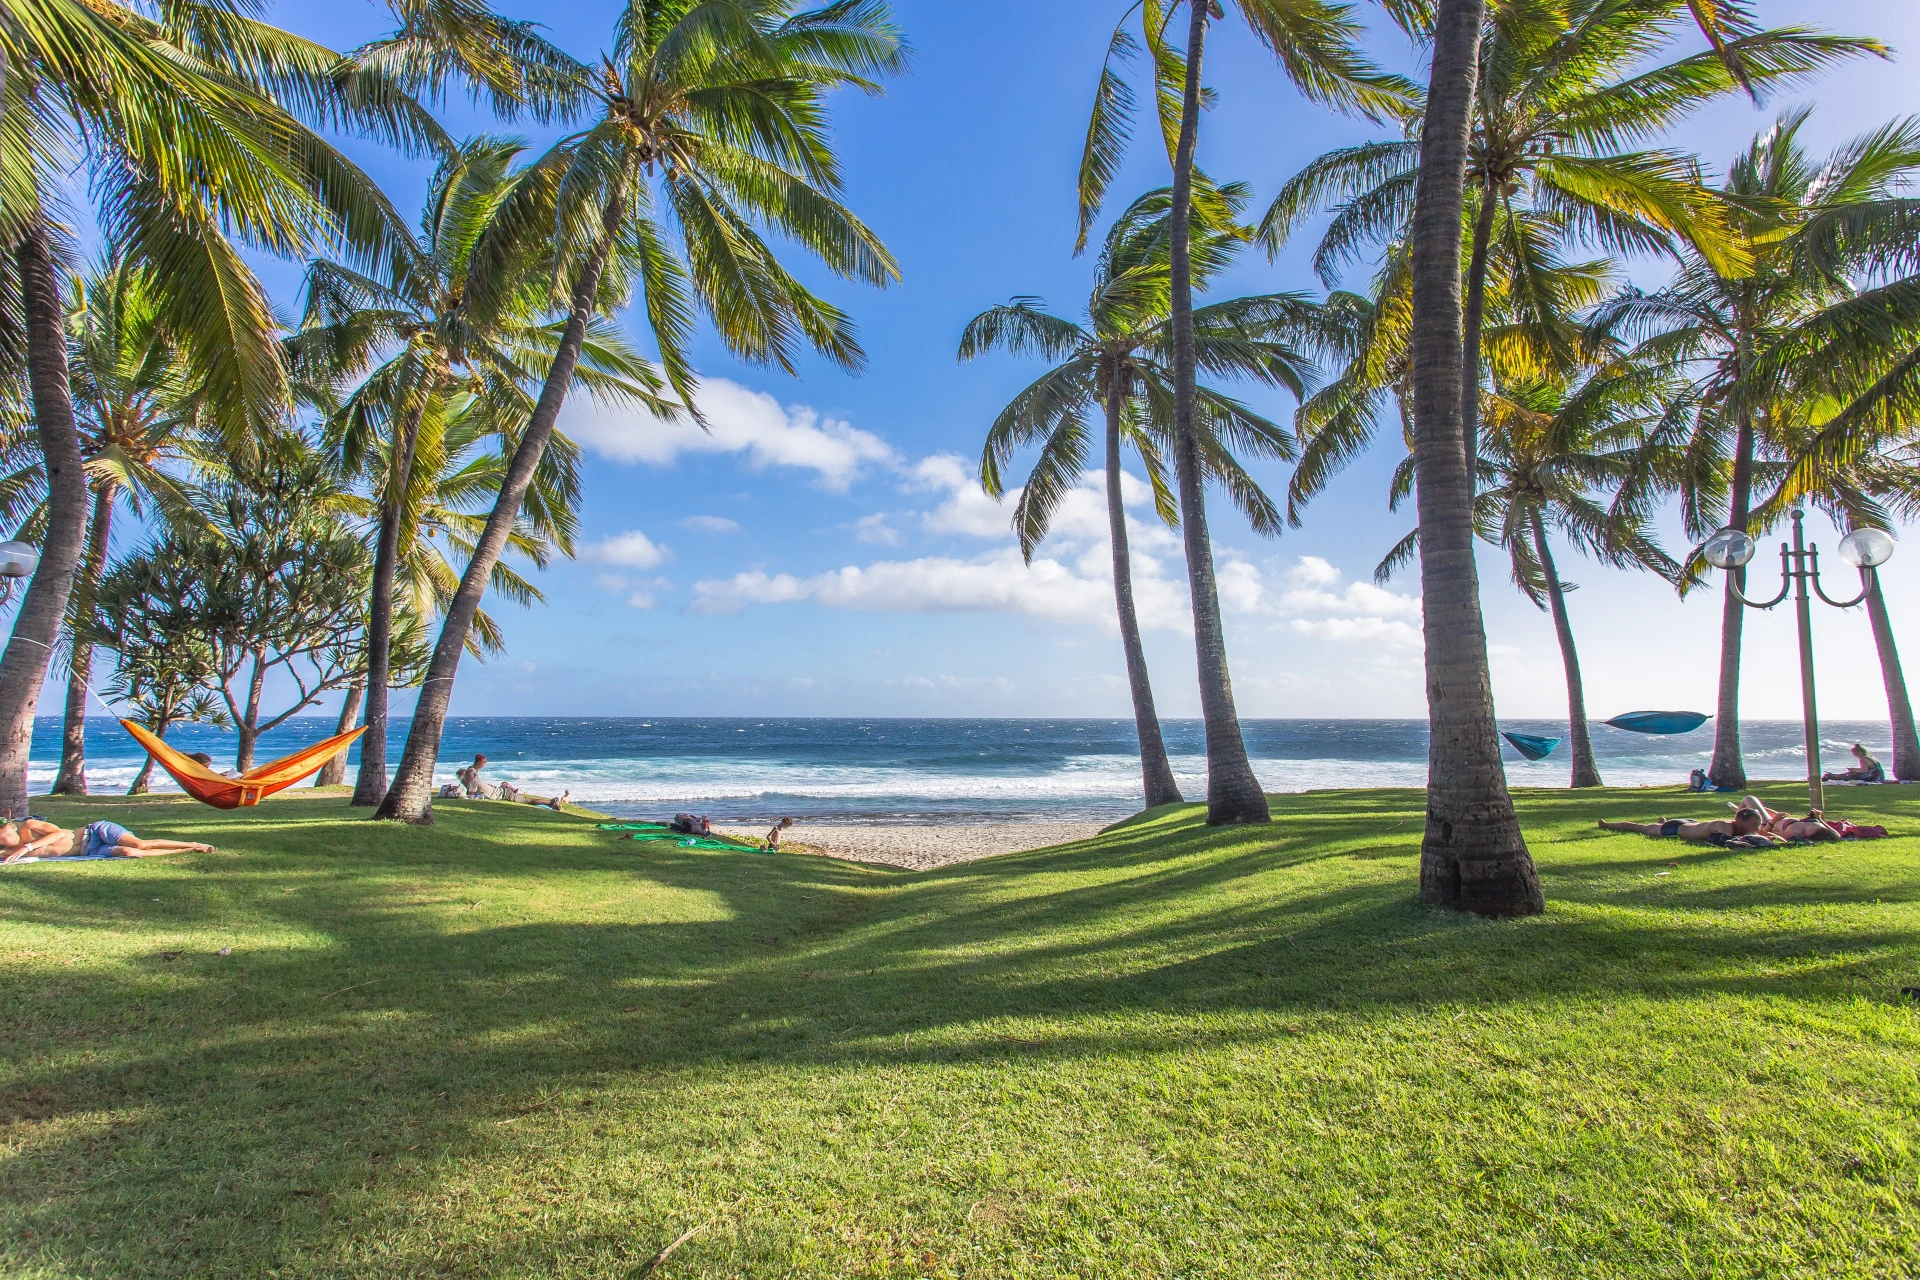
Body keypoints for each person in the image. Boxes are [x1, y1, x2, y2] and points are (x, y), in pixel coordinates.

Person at [2, 817, 213, 863]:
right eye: (3, 839)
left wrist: (28, 846)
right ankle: (187, 851)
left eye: (8, 833)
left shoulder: (29, 826)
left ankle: (192, 843)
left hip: (96, 832)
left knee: (139, 844)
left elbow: (57, 833)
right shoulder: (10, 850)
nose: (8, 840)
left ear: (12, 826)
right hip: (90, 851)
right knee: (131, 853)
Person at [1598, 808, 1772, 843]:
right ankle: (1607, 825)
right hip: (1676, 828)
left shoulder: (1736, 827)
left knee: (1651, 826)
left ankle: (1660, 822)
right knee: (1642, 828)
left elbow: (1756, 836)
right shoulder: (1725, 827)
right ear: (1740, 821)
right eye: (1754, 825)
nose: (1756, 829)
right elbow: (1723, 842)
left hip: (1691, 823)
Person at [1742, 797, 1843, 842]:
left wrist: (1774, 821)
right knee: (1749, 808)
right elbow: (1836, 835)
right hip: (1782, 818)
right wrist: (1819, 819)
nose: (1811, 825)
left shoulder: (1794, 833)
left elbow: (1764, 834)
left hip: (1768, 822)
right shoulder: (1820, 827)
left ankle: (1736, 825)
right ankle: (1739, 817)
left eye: (1808, 829)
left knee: (1749, 799)